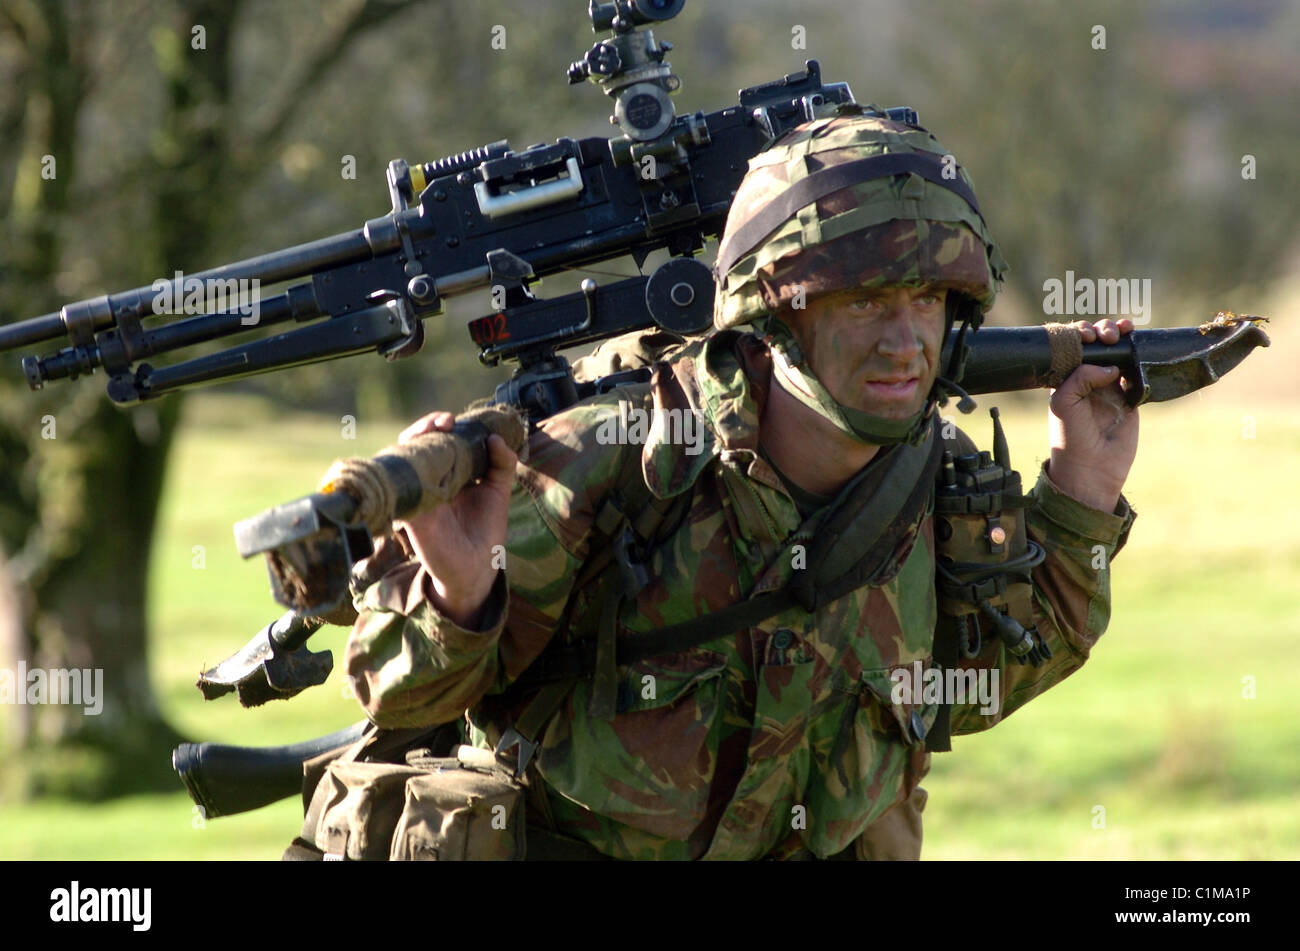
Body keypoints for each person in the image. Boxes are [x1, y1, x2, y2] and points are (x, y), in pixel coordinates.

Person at [340, 110, 1139, 860]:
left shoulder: (940, 478)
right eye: (864, 301)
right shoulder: (614, 464)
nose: (905, 343)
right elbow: (400, 697)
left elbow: (974, 683)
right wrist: (457, 596)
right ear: (777, 311)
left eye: (926, 299)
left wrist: (1082, 493)